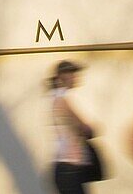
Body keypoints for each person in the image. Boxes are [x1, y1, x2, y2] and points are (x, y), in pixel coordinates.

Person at [48, 60, 100, 194]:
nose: (75, 77)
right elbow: (83, 128)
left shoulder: (58, 98)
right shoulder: (61, 100)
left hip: (70, 169)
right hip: (68, 169)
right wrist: (88, 128)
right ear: (62, 77)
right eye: (72, 73)